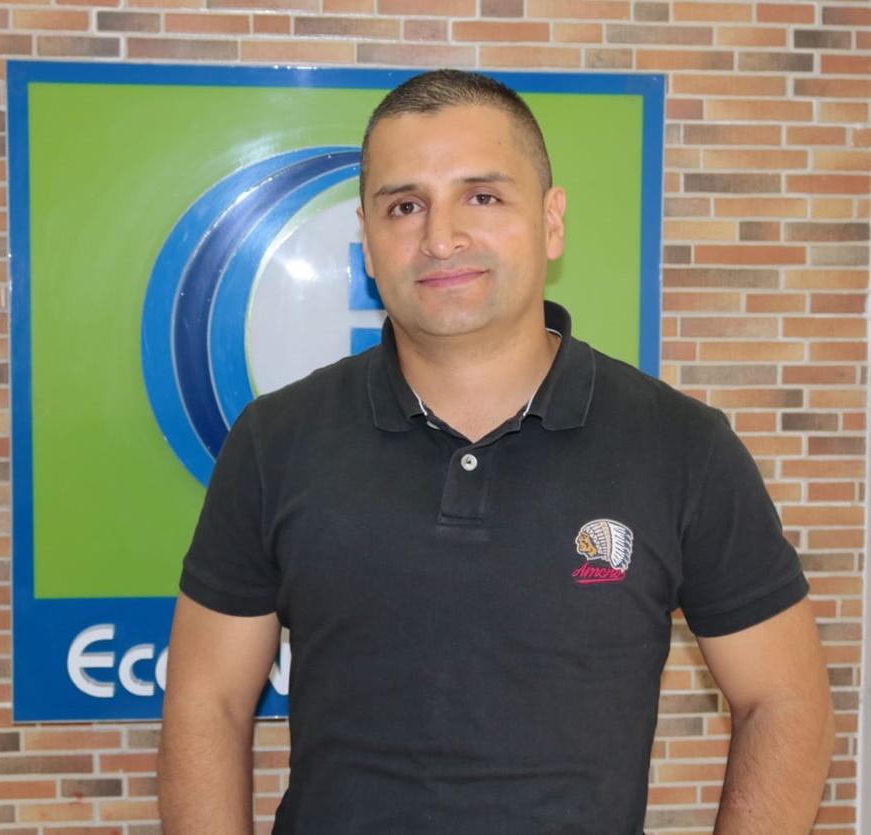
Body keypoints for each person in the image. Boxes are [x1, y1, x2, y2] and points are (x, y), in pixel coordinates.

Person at [158, 70, 834, 834]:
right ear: (368, 241)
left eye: (481, 196)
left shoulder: (682, 445)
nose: (440, 237)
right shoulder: (273, 441)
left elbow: (785, 701)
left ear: (551, 221)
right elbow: (207, 702)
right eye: (405, 205)